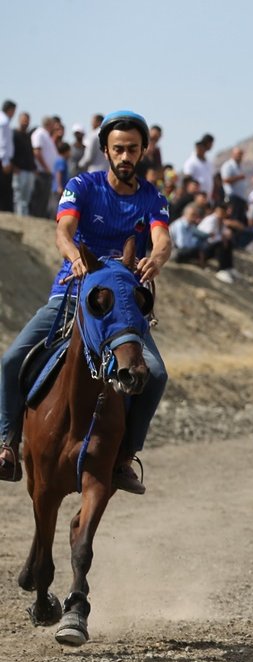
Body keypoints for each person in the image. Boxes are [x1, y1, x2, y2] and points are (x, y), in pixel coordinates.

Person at [0, 111, 172, 492]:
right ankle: (8, 443)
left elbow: (162, 239)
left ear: (143, 151)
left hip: (123, 308)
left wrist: (156, 259)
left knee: (156, 375)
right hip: (72, 294)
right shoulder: (82, 185)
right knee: (12, 359)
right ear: (106, 152)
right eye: (118, 149)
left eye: (132, 149)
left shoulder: (153, 198)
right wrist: (73, 255)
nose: (125, 156)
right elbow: (63, 230)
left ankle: (124, 458)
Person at [0, 100, 14, 213]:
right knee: (3, 187)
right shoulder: (3, 122)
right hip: (2, 159)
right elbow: (2, 142)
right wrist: (5, 161)